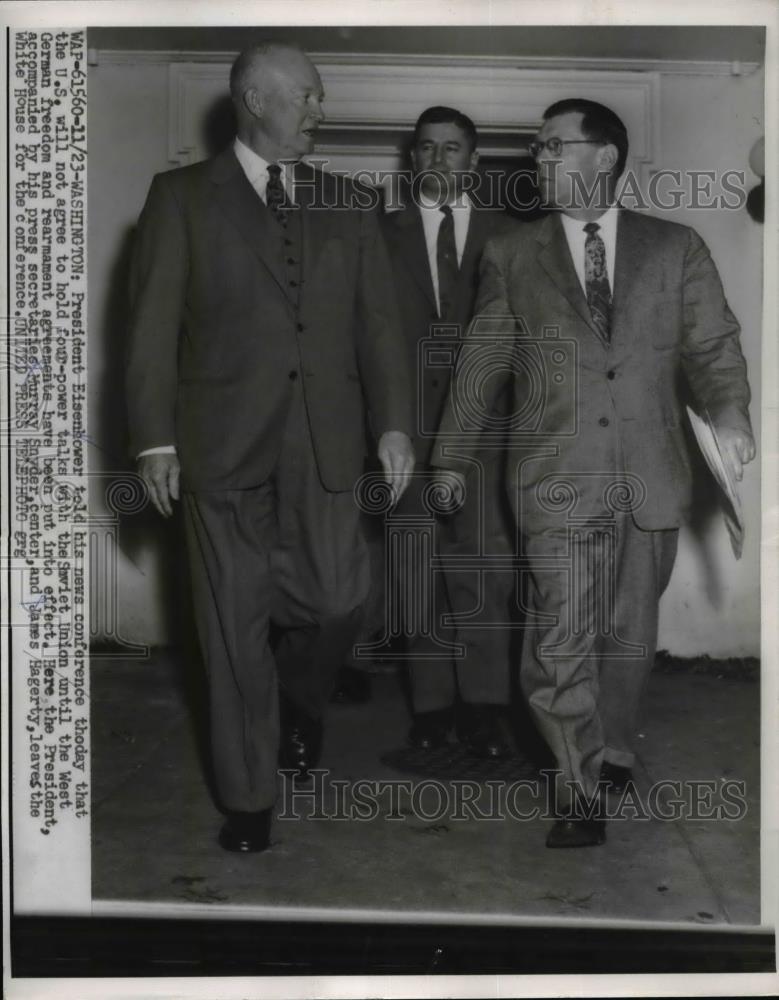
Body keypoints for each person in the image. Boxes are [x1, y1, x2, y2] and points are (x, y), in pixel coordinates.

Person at [432, 98, 754, 846]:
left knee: (625, 638)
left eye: (552, 146)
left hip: (650, 477)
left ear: (603, 157)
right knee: (555, 645)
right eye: (538, 148)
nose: (537, 158)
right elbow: (480, 366)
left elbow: (712, 346)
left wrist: (730, 411)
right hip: (554, 479)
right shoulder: (513, 253)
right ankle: (575, 788)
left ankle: (608, 745)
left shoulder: (675, 248)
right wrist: (447, 458)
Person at [126, 42, 414, 853]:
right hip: (218, 448)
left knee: (338, 601)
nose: (321, 111)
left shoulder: (348, 203)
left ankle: (300, 698)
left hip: (325, 444)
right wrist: (152, 439)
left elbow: (380, 327)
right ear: (256, 98)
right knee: (230, 627)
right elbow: (148, 327)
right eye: (309, 98)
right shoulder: (180, 196)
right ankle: (249, 798)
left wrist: (393, 422)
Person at [380, 106, 519, 758]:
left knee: (481, 570)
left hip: (487, 434)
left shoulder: (512, 237)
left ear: (473, 161)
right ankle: (431, 709)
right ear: (412, 161)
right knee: (416, 570)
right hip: (402, 436)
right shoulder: (376, 236)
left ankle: (484, 708)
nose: (438, 160)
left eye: (452, 148)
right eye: (427, 149)